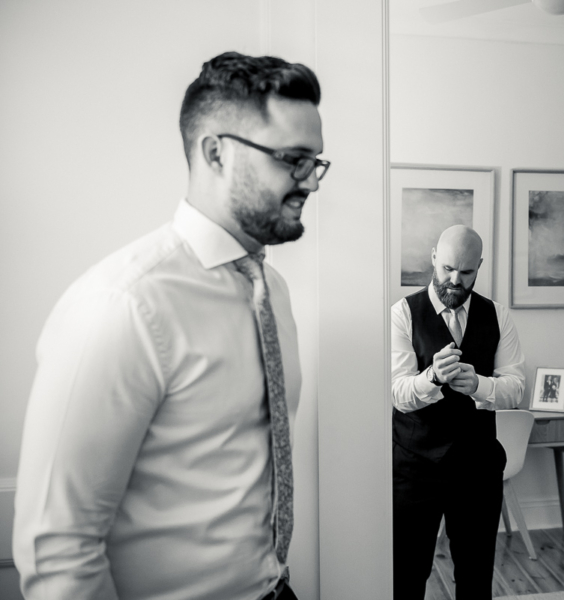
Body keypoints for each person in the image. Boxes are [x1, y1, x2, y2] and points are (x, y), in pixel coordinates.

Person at [13, 51, 329, 600]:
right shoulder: (124, 305)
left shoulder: (272, 290)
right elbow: (57, 546)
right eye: (292, 159)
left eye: (316, 162)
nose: (312, 182)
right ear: (216, 153)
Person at [391, 225, 526, 600]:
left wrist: (479, 385)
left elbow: (515, 388)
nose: (455, 280)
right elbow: (398, 393)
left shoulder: (498, 316)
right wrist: (432, 376)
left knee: (476, 574)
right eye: (448, 267)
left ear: (479, 266)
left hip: (477, 465)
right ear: (434, 257)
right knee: (406, 572)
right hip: (414, 466)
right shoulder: (402, 314)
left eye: (466, 273)